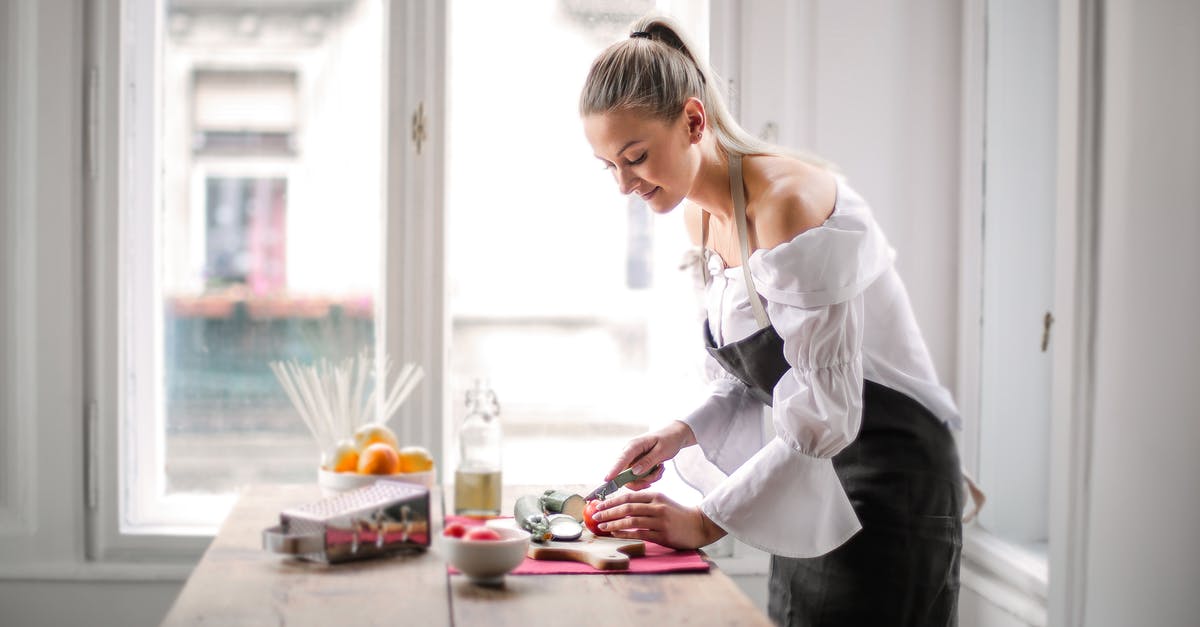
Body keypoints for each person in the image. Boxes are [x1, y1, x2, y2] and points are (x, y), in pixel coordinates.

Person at [579, 15, 967, 627]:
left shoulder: (788, 205)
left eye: (636, 157)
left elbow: (826, 412)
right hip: (808, 485)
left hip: (891, 483)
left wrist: (705, 522)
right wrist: (681, 432)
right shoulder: (700, 218)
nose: (625, 184)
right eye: (610, 166)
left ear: (693, 121)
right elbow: (745, 380)